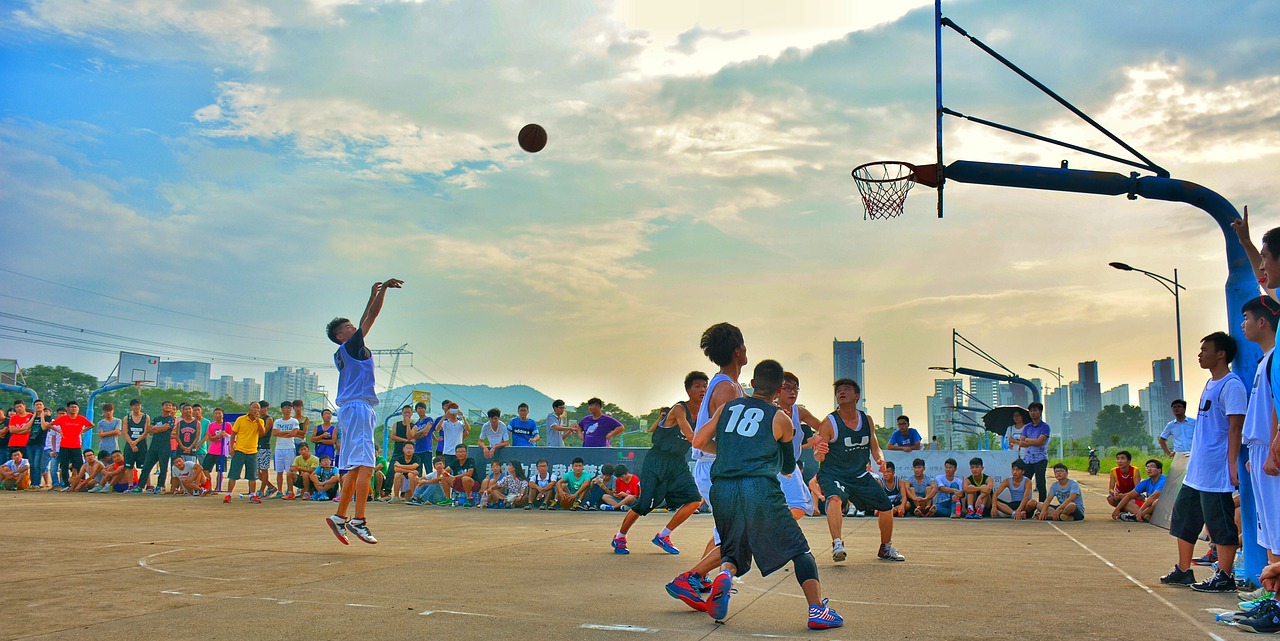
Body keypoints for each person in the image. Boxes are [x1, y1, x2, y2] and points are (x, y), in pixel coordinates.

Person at [669, 358, 843, 630]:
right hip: (758, 487)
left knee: (733, 549)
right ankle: (817, 610)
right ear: (777, 391)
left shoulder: (727, 407)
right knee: (799, 549)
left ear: (751, 384)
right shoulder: (781, 418)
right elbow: (787, 467)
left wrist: (728, 452)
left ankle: (725, 575)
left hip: (722, 488)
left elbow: (699, 441)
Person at [1160, 332, 1247, 592]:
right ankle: (1184, 570)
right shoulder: (1211, 383)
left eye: (1205, 350)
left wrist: (1232, 464)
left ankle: (1225, 575)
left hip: (1216, 472)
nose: (1200, 355)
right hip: (1196, 471)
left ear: (1221, 354)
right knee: (1184, 519)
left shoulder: (1232, 386)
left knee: (1220, 524)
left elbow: (1235, 428)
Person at [324, 277, 402, 545]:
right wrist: (383, 294)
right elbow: (372, 315)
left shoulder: (346, 351)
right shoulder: (351, 346)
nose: (354, 327)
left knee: (355, 470)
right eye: (348, 327)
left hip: (352, 409)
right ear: (340, 336)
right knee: (367, 466)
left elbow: (365, 314)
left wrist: (373, 293)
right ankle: (359, 520)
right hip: (358, 408)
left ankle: (339, 517)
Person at [614, 372, 709, 554]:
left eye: (705, 386)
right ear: (689, 390)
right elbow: (691, 437)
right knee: (644, 506)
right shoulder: (680, 409)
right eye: (698, 386)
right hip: (657, 460)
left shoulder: (706, 413)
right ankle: (620, 537)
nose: (702, 389)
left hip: (678, 462)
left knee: (694, 500)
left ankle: (663, 535)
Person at [815, 379, 904, 562]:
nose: (841, 392)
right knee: (835, 499)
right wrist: (820, 452)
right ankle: (837, 544)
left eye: (846, 389)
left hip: (859, 474)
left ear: (857, 396)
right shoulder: (829, 422)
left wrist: (880, 459)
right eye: (838, 390)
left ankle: (885, 548)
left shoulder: (866, 420)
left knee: (886, 506)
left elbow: (875, 447)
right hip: (833, 473)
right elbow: (819, 456)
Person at [776, 371, 824, 519]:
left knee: (798, 507)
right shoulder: (769, 409)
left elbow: (822, 426)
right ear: (778, 389)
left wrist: (818, 436)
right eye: (788, 388)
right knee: (793, 505)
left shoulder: (799, 412)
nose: (792, 392)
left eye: (795, 389)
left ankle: (779, 531)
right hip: (771, 464)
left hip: (790, 464)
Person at [224, 402, 267, 504]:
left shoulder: (260, 421)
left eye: (258, 408)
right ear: (249, 409)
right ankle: (228, 494)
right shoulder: (241, 419)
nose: (256, 410)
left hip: (252, 451)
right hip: (240, 450)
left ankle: (253, 495)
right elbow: (234, 433)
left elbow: (262, 433)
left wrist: (257, 421)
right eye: (254, 408)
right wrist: (231, 447)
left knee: (252, 475)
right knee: (234, 474)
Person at [51, 400, 93, 492]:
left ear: (78, 409)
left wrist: (82, 431)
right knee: (64, 466)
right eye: (71, 407)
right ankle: (66, 484)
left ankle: (81, 484)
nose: (73, 409)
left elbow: (91, 425)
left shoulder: (81, 418)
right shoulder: (63, 418)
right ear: (68, 408)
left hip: (76, 446)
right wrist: (58, 431)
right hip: (64, 446)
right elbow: (50, 425)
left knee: (79, 465)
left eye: (75, 407)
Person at [1015, 402, 1051, 502]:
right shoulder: (1027, 427)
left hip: (1040, 459)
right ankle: (1024, 505)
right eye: (1031, 411)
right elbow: (1021, 443)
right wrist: (1032, 441)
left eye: (1035, 410)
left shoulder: (1045, 427)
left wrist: (1028, 440)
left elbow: (1040, 442)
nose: (1033, 413)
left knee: (1040, 484)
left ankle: (1042, 506)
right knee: (1025, 482)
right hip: (1028, 460)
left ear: (1040, 412)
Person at [272, 402, 302, 499]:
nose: (287, 410)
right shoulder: (277, 422)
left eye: (289, 408)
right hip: (279, 448)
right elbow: (275, 433)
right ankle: (279, 490)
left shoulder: (294, 421)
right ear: (282, 409)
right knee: (279, 471)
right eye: (285, 408)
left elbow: (294, 433)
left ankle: (290, 490)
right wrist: (286, 432)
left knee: (290, 471)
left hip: (289, 447)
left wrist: (282, 433)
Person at [197, 408, 233, 488]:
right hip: (212, 450)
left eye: (219, 413)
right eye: (216, 414)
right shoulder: (211, 425)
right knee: (205, 468)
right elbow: (210, 438)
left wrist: (226, 435)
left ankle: (218, 487)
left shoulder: (227, 425)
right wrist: (218, 436)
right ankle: (209, 486)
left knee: (220, 471)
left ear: (222, 414)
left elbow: (231, 437)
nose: (217, 415)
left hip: (222, 451)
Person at [121, 399, 149, 483]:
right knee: (129, 467)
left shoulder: (145, 417)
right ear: (131, 407)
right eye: (135, 405)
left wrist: (136, 442)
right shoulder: (127, 418)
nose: (137, 407)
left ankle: (148, 485)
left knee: (145, 466)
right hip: (130, 444)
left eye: (138, 405)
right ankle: (130, 485)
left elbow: (146, 432)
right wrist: (132, 444)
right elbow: (125, 433)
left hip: (141, 444)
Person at [254, 400, 277, 498]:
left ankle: (261, 490)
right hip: (255, 446)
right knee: (256, 471)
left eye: (264, 408)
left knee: (264, 470)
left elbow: (263, 432)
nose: (262, 410)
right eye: (260, 408)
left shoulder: (269, 419)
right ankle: (270, 486)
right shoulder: (256, 419)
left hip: (264, 446)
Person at [438, 402, 470, 471]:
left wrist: (462, 416)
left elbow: (468, 428)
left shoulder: (460, 423)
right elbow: (437, 428)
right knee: (447, 471)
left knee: (458, 470)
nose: (453, 414)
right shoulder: (445, 423)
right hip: (447, 451)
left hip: (458, 452)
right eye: (451, 411)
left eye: (455, 411)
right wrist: (444, 416)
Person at [411, 402, 434, 473]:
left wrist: (416, 435)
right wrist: (419, 434)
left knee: (429, 470)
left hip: (426, 449)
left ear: (425, 409)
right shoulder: (416, 423)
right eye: (418, 409)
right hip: (417, 450)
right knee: (418, 471)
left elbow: (426, 432)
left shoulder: (429, 419)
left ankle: (430, 484)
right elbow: (412, 436)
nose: (420, 410)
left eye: (422, 408)